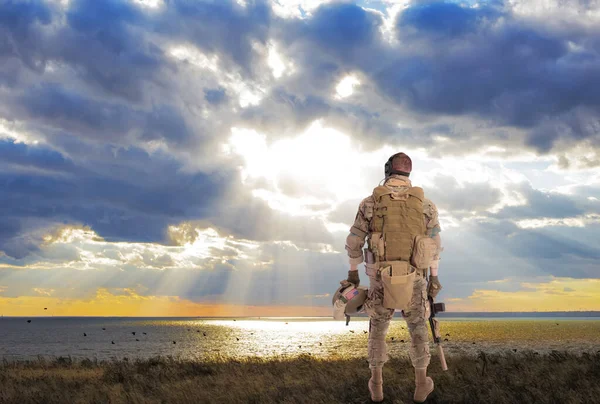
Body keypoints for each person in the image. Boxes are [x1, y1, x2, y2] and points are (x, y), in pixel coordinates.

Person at [344, 152, 443, 403]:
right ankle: (421, 384)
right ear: (409, 173)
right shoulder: (426, 205)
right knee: (418, 329)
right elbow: (434, 246)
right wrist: (433, 279)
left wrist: (353, 273)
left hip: (380, 278)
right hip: (415, 278)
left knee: (377, 329)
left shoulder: (370, 203)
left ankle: (376, 384)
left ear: (387, 170)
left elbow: (355, 240)